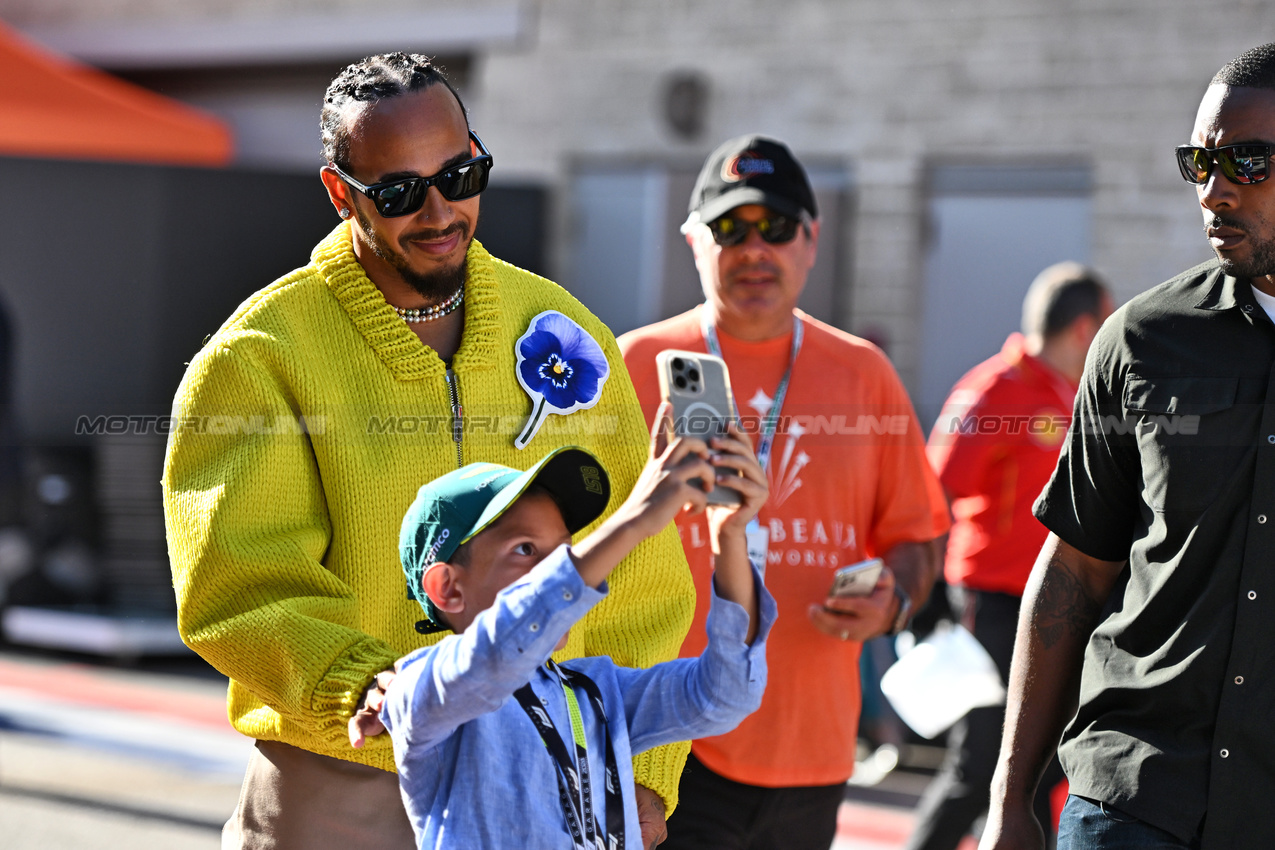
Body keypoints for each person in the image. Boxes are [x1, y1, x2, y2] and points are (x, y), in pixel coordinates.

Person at [161, 53, 693, 849]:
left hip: (546, 776)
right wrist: (370, 689)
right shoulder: (257, 357)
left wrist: (640, 771)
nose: (441, 210)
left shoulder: (561, 328)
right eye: (402, 193)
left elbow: (643, 577)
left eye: (461, 174)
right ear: (340, 193)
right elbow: (240, 590)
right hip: (349, 774)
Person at [981, 42, 1275, 850]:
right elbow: (1074, 566)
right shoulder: (1140, 342)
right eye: (1200, 162)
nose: (1214, 191)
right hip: (1132, 802)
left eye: (1247, 161)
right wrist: (1009, 800)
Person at [619, 134, 950, 850]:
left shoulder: (864, 375)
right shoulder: (633, 365)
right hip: (664, 744)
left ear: (810, 239)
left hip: (811, 753)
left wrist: (890, 597)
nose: (752, 249)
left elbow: (917, 537)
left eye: (774, 227)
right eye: (728, 229)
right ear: (692, 240)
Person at [381, 424, 774, 850]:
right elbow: (495, 652)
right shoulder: (420, 684)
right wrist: (636, 518)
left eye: (566, 550)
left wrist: (730, 535)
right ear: (448, 589)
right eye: (526, 550)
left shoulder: (596, 690)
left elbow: (726, 694)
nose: (561, 568)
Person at [907, 263, 1113, 850]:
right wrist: (923, 590)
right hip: (992, 603)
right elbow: (932, 490)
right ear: (1083, 327)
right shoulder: (994, 389)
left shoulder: (1073, 391)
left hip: (1060, 600)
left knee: (1046, 768)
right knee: (979, 767)